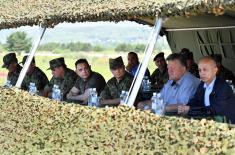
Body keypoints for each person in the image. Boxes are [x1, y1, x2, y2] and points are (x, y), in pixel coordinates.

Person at [178, 56, 235, 123]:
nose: (202, 73)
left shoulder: (223, 87)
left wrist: (190, 109)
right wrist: (186, 106)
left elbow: (214, 110)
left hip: (225, 124)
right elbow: (195, 99)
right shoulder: (202, 84)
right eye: (200, 70)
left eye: (205, 70)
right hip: (207, 120)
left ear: (215, 70)